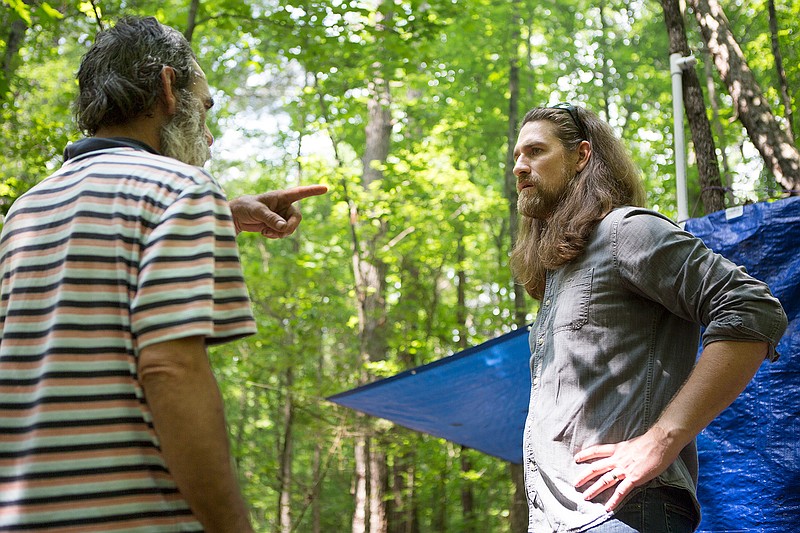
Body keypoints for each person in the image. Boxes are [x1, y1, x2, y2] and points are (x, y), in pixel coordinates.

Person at [0, 16, 325, 532]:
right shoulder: (181, 189)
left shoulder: (26, 209)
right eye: (206, 105)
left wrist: (220, 213)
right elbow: (170, 370)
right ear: (170, 89)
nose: (211, 135)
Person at [509, 103, 787, 532]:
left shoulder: (626, 232)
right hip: (559, 520)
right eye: (516, 157)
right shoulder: (559, 274)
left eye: (535, 151)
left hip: (623, 512)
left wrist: (661, 441)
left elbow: (752, 306)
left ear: (582, 156)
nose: (520, 166)